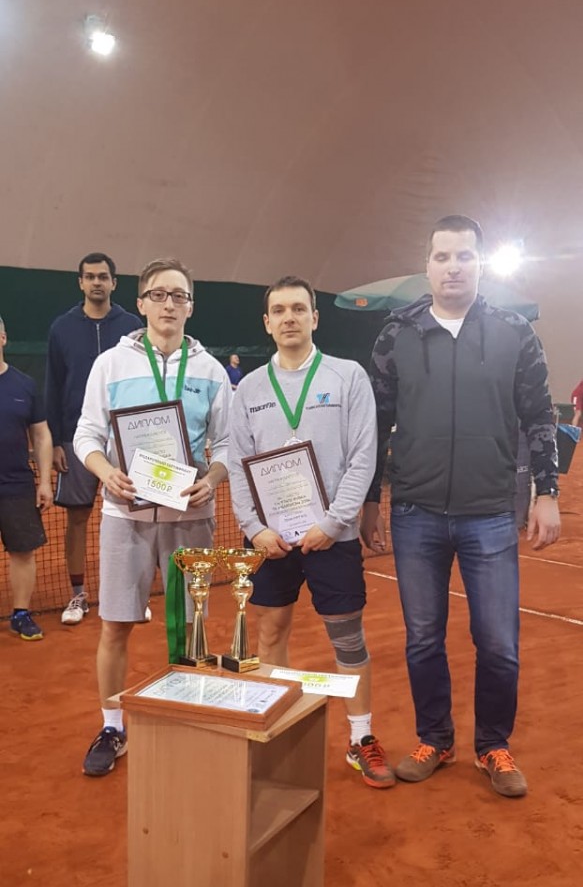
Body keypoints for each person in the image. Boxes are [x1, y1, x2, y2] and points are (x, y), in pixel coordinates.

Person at [362, 215, 560, 799]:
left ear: (480, 264)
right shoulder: (395, 334)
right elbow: (374, 422)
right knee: (423, 639)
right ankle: (436, 738)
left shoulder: (514, 332)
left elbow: (540, 416)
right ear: (427, 265)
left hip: (490, 513)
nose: (453, 267)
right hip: (415, 512)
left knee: (498, 643)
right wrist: (371, 500)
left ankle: (493, 744)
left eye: (465, 256)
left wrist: (546, 493)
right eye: (443, 256)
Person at [228, 274, 394, 789]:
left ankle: (361, 737)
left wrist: (334, 522)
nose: (289, 318)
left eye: (298, 309)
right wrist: (254, 529)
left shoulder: (348, 376)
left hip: (331, 537)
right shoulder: (249, 388)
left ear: (314, 318)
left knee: (347, 637)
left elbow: (364, 456)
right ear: (267, 323)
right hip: (271, 540)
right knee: (270, 632)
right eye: (279, 311)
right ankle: (272, 727)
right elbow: (237, 463)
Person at [74, 258, 231, 776]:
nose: (169, 304)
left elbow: (227, 444)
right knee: (116, 625)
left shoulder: (210, 371)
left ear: (191, 306)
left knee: (190, 625)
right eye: (159, 295)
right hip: (125, 515)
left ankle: (188, 716)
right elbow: (86, 434)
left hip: (191, 515)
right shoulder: (111, 365)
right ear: (140, 303)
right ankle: (112, 726)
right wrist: (105, 473)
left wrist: (212, 479)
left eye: (179, 296)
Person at [45, 253, 142, 625]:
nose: (97, 282)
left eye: (103, 276)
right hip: (77, 439)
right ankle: (78, 595)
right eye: (90, 277)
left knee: (133, 514)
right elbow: (54, 385)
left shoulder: (133, 325)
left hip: (128, 437)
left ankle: (133, 594)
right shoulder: (61, 328)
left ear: (114, 282)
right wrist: (56, 440)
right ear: (81, 283)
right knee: (77, 517)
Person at [0, 315, 53, 640]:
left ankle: (21, 614)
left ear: (3, 339)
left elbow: (41, 434)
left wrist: (44, 480)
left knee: (23, 551)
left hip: (16, 485)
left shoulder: (24, 385)